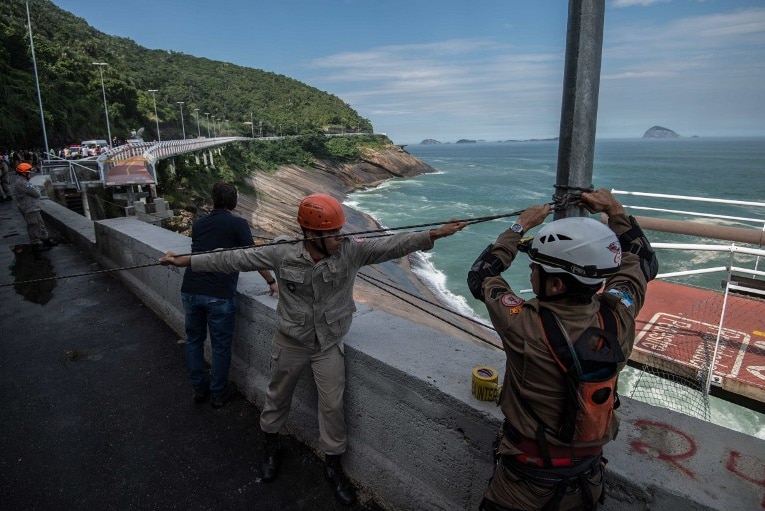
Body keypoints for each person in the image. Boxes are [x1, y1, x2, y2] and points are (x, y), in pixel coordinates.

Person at [160, 193, 467, 506]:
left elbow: (391, 245)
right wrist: (185, 260)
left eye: (339, 230)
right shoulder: (283, 252)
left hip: (328, 343)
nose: (339, 237)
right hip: (291, 340)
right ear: (310, 234)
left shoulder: (349, 252)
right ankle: (271, 446)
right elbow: (230, 258)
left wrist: (432, 234)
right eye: (332, 232)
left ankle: (332, 466)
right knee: (277, 396)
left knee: (332, 406)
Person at [467, 188, 657, 511]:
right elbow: (643, 258)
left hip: (522, 489)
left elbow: (481, 275)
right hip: (586, 483)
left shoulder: (524, 325)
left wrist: (519, 227)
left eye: (536, 268)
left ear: (555, 285)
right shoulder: (619, 319)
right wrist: (612, 207)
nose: (531, 272)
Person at [181, 182, 278, 408]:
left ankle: (198, 387)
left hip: (191, 289)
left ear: (213, 200)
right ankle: (218, 392)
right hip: (218, 294)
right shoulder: (238, 224)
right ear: (234, 202)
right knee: (220, 345)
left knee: (194, 340)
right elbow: (252, 256)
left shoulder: (199, 224)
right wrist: (271, 281)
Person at [12, 162, 58, 250]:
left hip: (32, 207)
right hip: (29, 208)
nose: (31, 175)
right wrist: (36, 189)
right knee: (33, 226)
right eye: (29, 173)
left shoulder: (23, 182)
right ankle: (35, 243)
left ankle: (45, 239)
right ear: (24, 173)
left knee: (40, 224)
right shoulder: (22, 183)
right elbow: (37, 193)